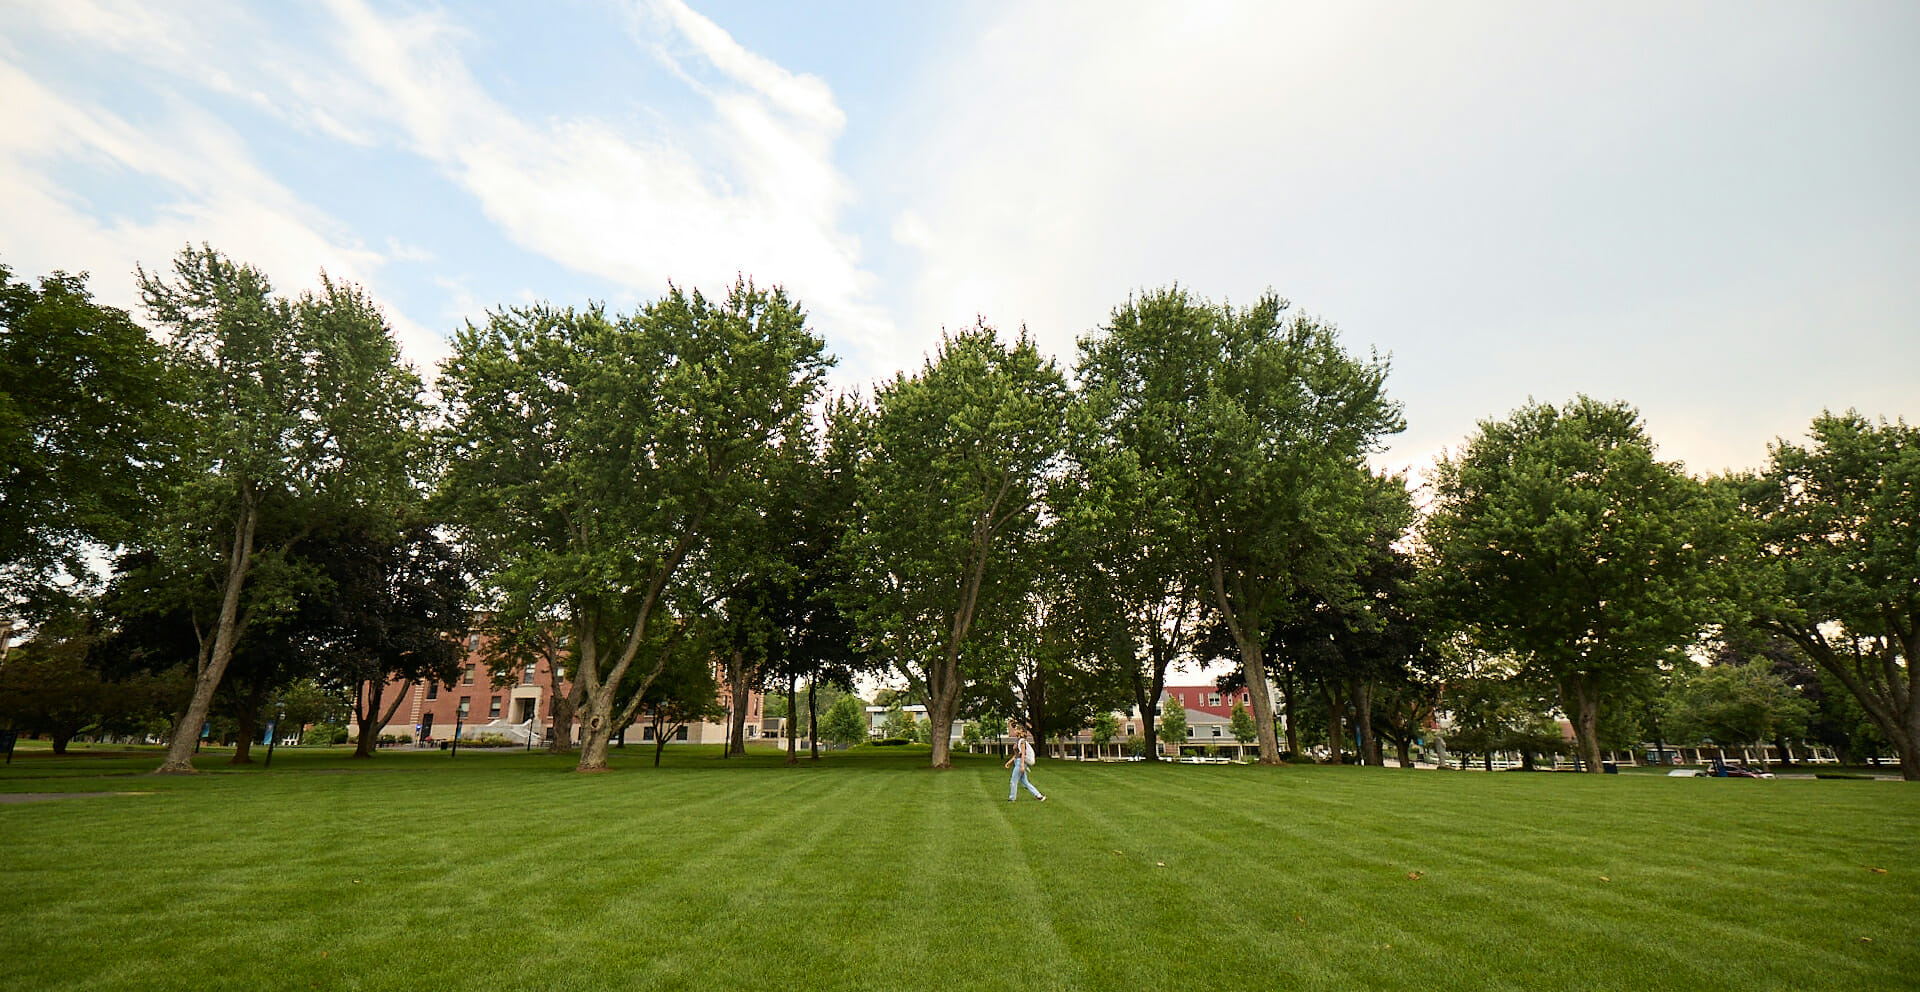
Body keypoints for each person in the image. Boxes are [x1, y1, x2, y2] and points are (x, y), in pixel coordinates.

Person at [1004, 728, 1046, 802]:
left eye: (1016, 729)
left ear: (1020, 731)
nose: (1014, 731)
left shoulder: (1022, 741)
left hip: (1020, 762)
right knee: (1025, 782)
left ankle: (1012, 798)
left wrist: (1022, 766)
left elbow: (1023, 754)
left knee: (1013, 781)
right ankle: (1039, 796)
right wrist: (1009, 762)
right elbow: (1016, 755)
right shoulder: (1018, 741)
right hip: (1018, 761)